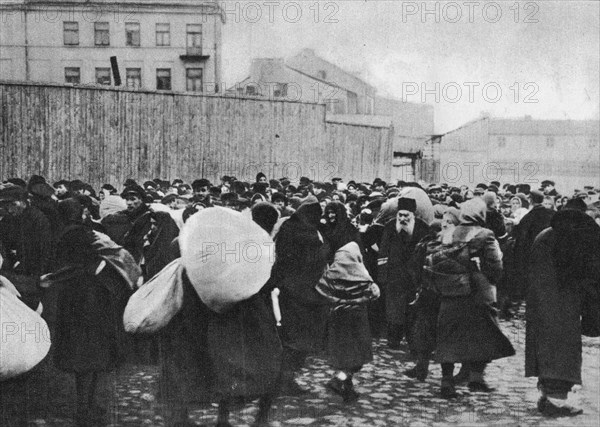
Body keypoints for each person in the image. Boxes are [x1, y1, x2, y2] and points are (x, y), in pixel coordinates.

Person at [51, 225, 134, 426]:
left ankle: (84, 406)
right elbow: (117, 292)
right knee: (93, 366)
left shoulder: (70, 272)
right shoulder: (101, 266)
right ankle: (87, 406)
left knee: (84, 368)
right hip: (96, 327)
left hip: (80, 327)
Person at [433, 198, 515, 398]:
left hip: (450, 291)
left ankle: (446, 382)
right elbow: (496, 267)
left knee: (449, 336)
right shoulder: (485, 235)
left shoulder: (448, 232)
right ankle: (476, 379)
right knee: (483, 334)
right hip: (477, 294)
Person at [525, 202, 600, 417]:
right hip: (562, 304)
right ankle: (554, 403)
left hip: (541, 302)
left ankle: (548, 396)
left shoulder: (547, 236)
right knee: (562, 351)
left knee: (546, 348)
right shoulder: (567, 240)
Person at [318, 201, 379, 402]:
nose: (331, 216)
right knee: (350, 350)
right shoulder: (325, 229)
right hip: (341, 279)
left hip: (348, 274)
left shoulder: (350, 231)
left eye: (334, 212)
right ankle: (343, 380)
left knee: (345, 349)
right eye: (328, 212)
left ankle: (341, 379)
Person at [270, 196, 330, 395]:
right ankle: (286, 380)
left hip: (291, 290)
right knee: (298, 339)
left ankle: (284, 379)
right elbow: (315, 259)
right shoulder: (309, 233)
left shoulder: (288, 227)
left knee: (291, 338)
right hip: (305, 292)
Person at [378, 197, 430, 349]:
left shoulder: (422, 228)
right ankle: (393, 340)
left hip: (415, 277)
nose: (402, 218)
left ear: (413, 215)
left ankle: (413, 341)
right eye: (400, 215)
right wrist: (382, 276)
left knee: (413, 310)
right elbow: (382, 253)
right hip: (394, 277)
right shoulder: (389, 227)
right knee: (394, 310)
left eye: (406, 215)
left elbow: (427, 253)